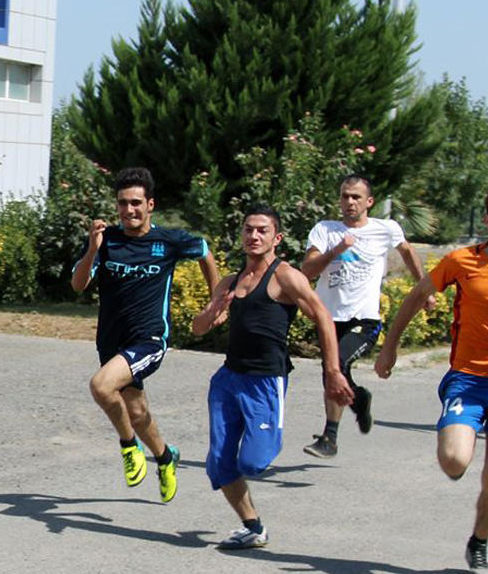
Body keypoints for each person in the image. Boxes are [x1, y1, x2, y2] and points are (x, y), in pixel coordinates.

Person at [374, 179, 488, 574]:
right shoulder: (461, 260)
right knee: (454, 460)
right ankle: (459, 459)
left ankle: (479, 542)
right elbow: (417, 295)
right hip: (468, 380)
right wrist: (390, 346)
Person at [192, 206, 353, 549]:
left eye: (262, 231)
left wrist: (333, 370)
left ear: (276, 238)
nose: (254, 236)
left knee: (252, 461)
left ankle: (265, 439)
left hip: (265, 382)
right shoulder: (230, 282)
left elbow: (323, 317)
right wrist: (212, 310)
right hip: (227, 379)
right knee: (219, 465)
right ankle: (253, 526)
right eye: (248, 230)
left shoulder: (286, 277)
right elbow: (199, 328)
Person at [71, 167, 220, 503]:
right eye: (123, 203)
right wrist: (93, 249)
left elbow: (204, 252)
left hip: (149, 339)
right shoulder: (105, 240)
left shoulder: (168, 241)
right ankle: (166, 457)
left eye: (136, 203)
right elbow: (78, 284)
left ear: (150, 204)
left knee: (101, 386)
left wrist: (215, 302)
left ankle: (129, 448)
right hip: (111, 341)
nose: (129, 211)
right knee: (136, 412)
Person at [300, 174, 432, 457]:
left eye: (356, 197)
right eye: (345, 196)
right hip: (328, 319)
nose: (349, 201)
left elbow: (408, 253)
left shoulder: (386, 229)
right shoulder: (325, 230)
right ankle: (359, 400)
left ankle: (329, 437)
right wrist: (337, 250)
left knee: (339, 365)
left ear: (369, 202)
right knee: (330, 374)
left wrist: (425, 290)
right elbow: (307, 271)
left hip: (364, 319)